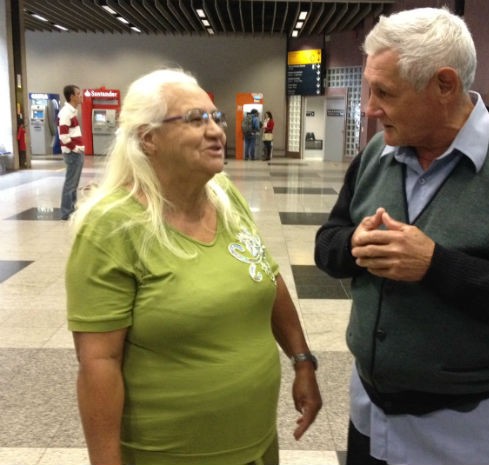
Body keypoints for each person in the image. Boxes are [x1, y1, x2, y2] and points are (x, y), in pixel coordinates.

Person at [314, 8, 489, 465]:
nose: (369, 107)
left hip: (475, 430)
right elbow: (328, 244)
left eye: (384, 92)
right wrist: (351, 246)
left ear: (444, 85)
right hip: (372, 416)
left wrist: (437, 266)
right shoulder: (376, 154)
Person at [66, 68, 322, 465]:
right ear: (148, 138)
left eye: (214, 117)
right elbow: (99, 362)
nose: (216, 130)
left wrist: (302, 360)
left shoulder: (223, 195)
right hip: (172, 452)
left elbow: (266, 275)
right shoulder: (112, 225)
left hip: (256, 444)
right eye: (195, 119)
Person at [58, 84, 85, 220]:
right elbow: (63, 136)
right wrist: (75, 149)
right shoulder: (65, 113)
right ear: (72, 96)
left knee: (73, 183)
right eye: (78, 94)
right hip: (72, 153)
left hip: (76, 152)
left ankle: (71, 209)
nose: (81, 96)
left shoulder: (72, 112)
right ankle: (66, 212)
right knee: (70, 183)